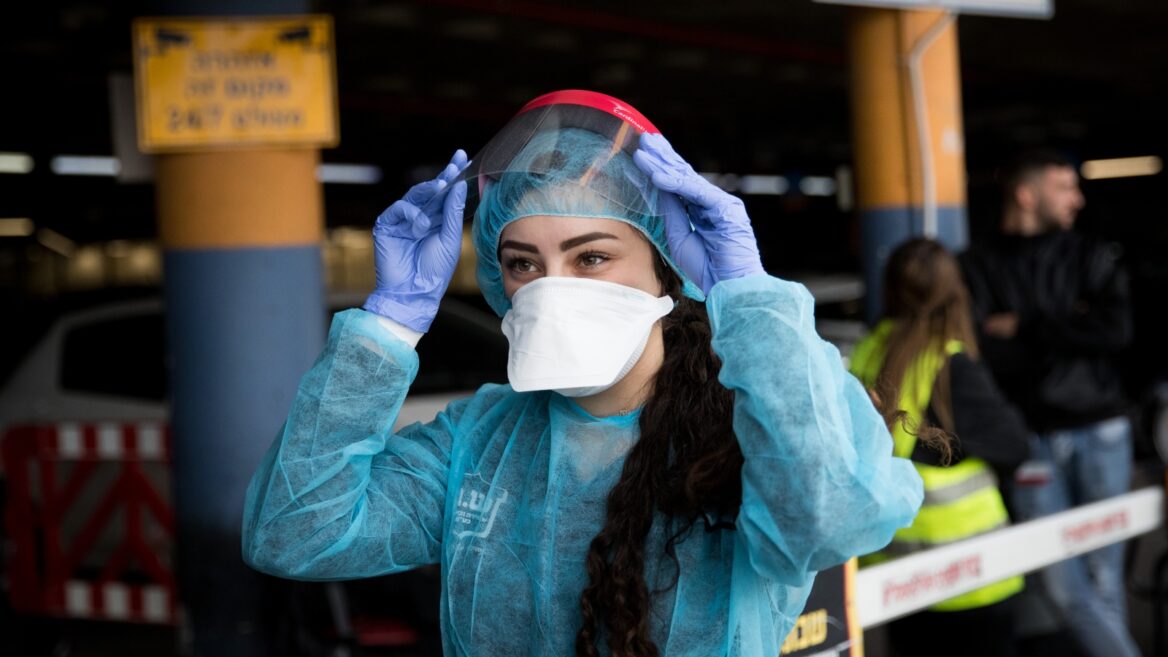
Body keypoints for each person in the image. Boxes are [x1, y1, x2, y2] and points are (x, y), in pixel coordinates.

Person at [241, 90, 923, 657]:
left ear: (667, 266)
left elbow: (832, 518)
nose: (550, 286)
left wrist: (747, 295)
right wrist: (389, 322)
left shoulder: (744, 432)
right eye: (522, 263)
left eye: (591, 256)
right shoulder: (477, 441)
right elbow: (295, 532)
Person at [960, 150, 1139, 657]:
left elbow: (1116, 330)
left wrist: (1026, 326)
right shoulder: (977, 264)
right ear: (1026, 193)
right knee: (1058, 584)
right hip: (1029, 440)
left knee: (1105, 579)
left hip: (1100, 430)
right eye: (1065, 187)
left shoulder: (1091, 255)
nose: (1078, 200)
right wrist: (1068, 324)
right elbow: (980, 347)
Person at [850, 238, 1030, 657]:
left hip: (897, 575)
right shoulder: (949, 362)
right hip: (972, 576)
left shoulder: (868, 350)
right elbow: (1014, 444)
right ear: (955, 291)